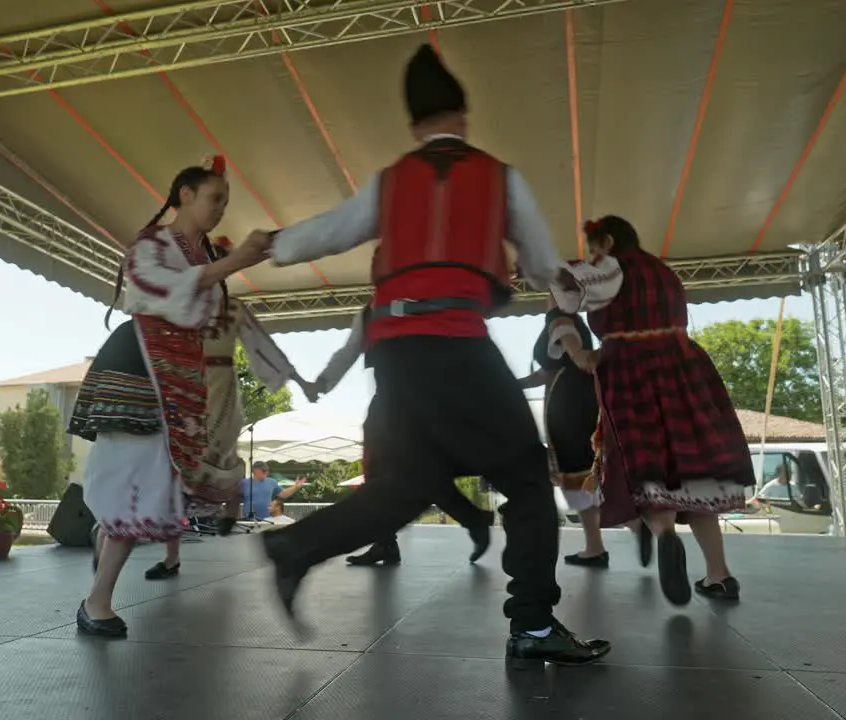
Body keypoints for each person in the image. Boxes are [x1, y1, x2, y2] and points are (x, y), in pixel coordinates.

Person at [252, 44, 609, 665]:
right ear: (463, 114)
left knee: (412, 482)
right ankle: (531, 623)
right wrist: (546, 273)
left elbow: (332, 229)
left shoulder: (391, 182)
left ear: (414, 124)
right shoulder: (500, 177)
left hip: (396, 352)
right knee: (526, 478)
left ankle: (295, 548)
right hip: (457, 341)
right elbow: (546, 260)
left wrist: (272, 245)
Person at [66, 156, 270, 637]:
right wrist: (234, 260)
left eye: (225, 202)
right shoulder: (152, 245)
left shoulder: (200, 256)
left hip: (179, 373)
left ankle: (99, 591)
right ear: (185, 195)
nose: (221, 209)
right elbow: (155, 292)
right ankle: (97, 600)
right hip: (140, 367)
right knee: (135, 481)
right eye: (214, 198)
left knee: (157, 481)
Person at [563, 215, 755, 606]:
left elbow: (558, 293)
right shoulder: (664, 272)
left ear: (609, 241)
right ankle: (719, 575)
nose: (592, 255)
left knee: (645, 459)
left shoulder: (605, 271)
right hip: (683, 367)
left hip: (629, 370)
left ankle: (665, 533)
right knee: (693, 466)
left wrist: (581, 351)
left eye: (595, 246)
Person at [142, 252, 307, 580]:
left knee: (220, 454)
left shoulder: (233, 309)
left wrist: (293, 377)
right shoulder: (179, 308)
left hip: (221, 389)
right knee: (177, 469)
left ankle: (229, 504)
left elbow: (262, 346)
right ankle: (172, 556)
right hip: (187, 389)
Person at [300, 302, 494, 566]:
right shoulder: (372, 310)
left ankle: (472, 520)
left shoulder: (425, 298)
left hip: (423, 397)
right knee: (379, 472)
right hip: (387, 403)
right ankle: (387, 542)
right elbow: (351, 349)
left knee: (422, 473)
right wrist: (323, 381)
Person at [517, 294, 653, 569]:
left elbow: (561, 367)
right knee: (585, 476)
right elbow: (551, 370)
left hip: (569, 408)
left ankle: (617, 534)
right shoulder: (572, 323)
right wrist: (514, 385)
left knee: (577, 477)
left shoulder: (561, 321)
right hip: (578, 402)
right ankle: (619, 533)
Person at [241, 461, 307, 520]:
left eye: (267, 470)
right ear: (255, 471)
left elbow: (283, 494)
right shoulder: (244, 483)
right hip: (248, 519)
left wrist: (295, 487)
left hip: (268, 519)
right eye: (264, 470)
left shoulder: (272, 482)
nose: (266, 472)